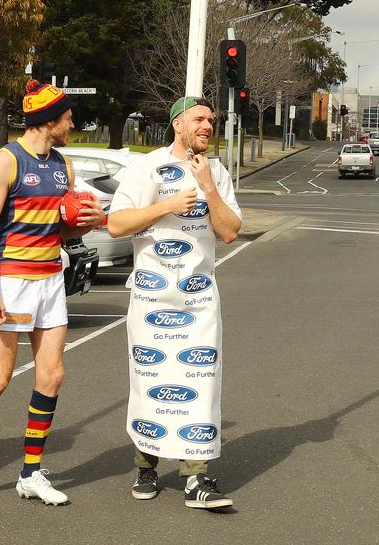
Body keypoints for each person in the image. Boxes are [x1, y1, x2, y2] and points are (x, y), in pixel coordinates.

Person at [0, 80, 103, 509]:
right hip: (11, 282)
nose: (73, 123)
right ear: (50, 120)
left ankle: (31, 473)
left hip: (50, 279)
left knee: (52, 377)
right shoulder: (5, 161)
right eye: (68, 117)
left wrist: (83, 225)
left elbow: (62, 228)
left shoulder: (62, 165)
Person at [107, 97, 242, 509]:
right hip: (151, 298)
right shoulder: (146, 167)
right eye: (199, 119)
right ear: (177, 124)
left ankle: (195, 478)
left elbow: (231, 231)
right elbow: (115, 224)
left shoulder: (216, 171)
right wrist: (166, 204)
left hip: (199, 300)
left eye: (211, 120)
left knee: (200, 387)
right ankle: (146, 465)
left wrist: (207, 188)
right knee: (150, 384)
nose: (208, 125)